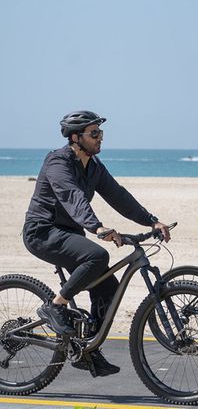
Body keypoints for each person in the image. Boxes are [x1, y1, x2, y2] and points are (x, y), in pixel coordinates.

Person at [23, 110, 171, 377]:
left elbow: (118, 196)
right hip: (42, 232)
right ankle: (55, 306)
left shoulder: (93, 166)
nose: (100, 138)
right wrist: (97, 227)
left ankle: (87, 351)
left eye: (101, 133)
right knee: (97, 255)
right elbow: (72, 195)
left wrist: (151, 221)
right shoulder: (58, 161)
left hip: (69, 234)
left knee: (109, 288)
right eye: (94, 134)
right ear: (76, 137)